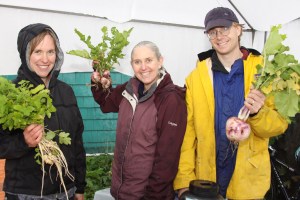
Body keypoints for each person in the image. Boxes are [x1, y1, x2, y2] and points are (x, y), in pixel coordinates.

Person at [173, 7, 288, 199]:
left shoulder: (264, 72)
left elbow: (278, 126)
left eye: (225, 28)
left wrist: (258, 113)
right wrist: (184, 181)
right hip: (207, 180)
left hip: (248, 181)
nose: (219, 36)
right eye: (213, 32)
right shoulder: (196, 77)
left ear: (238, 29)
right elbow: (187, 133)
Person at [91, 41, 187, 200]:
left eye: (148, 60)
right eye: (137, 62)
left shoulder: (171, 100)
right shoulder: (129, 88)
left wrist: (153, 196)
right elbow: (106, 103)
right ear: (132, 65)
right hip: (122, 191)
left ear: (160, 61)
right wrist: (100, 84)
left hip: (149, 195)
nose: (143, 67)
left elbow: (167, 159)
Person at [0, 23, 86, 200]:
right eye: (37, 52)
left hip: (65, 191)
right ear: (26, 54)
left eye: (50, 51)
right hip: (26, 193)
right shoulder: (13, 94)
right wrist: (24, 141)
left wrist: (79, 187)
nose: (45, 59)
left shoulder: (66, 92)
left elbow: (77, 143)